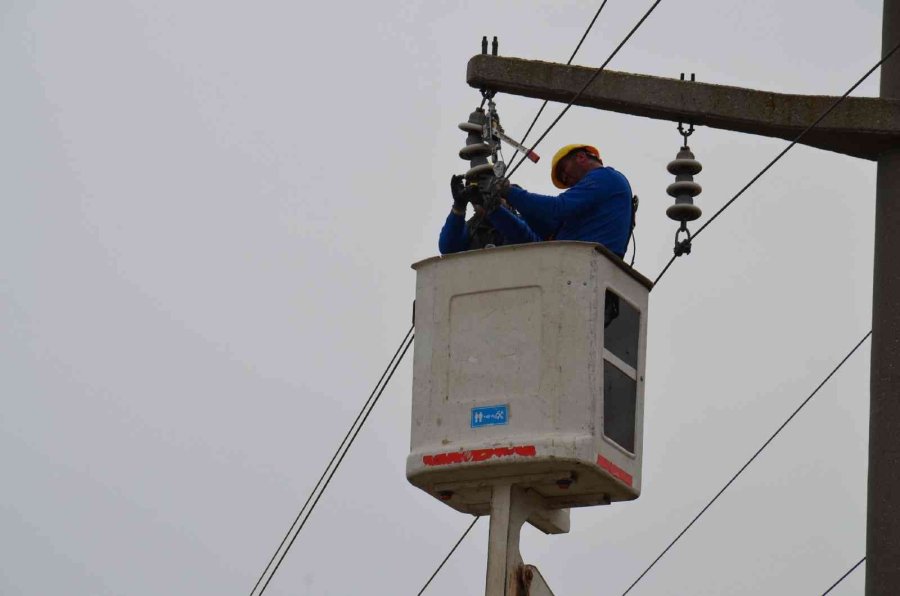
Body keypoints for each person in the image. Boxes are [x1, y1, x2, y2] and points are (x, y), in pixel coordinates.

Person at [497, 144, 633, 257]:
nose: (565, 179)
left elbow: (557, 208)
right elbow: (541, 234)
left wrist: (510, 192)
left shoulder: (605, 177)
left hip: (590, 261)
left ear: (581, 157)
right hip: (574, 261)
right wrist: (498, 210)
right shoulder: (579, 218)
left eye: (563, 170)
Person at [438, 175, 541, 255]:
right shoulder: (469, 230)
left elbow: (524, 237)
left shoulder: (526, 221)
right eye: (476, 196)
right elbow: (448, 248)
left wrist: (493, 208)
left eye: (491, 193)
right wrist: (458, 207)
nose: (482, 199)